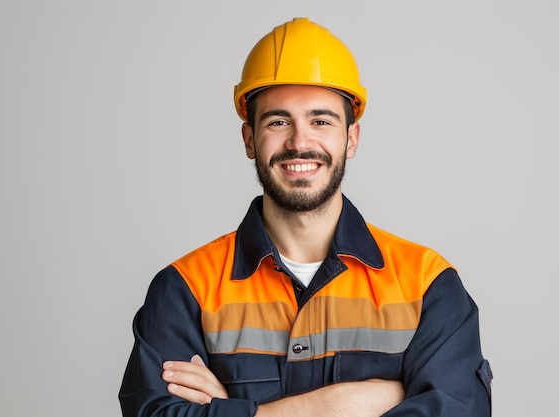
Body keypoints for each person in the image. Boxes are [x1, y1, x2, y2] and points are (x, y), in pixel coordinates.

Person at [119, 17, 493, 417]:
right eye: (278, 122)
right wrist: (336, 406)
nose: (300, 142)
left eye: (321, 121)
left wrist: (235, 412)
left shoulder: (427, 285)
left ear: (351, 139)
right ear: (249, 140)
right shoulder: (185, 289)